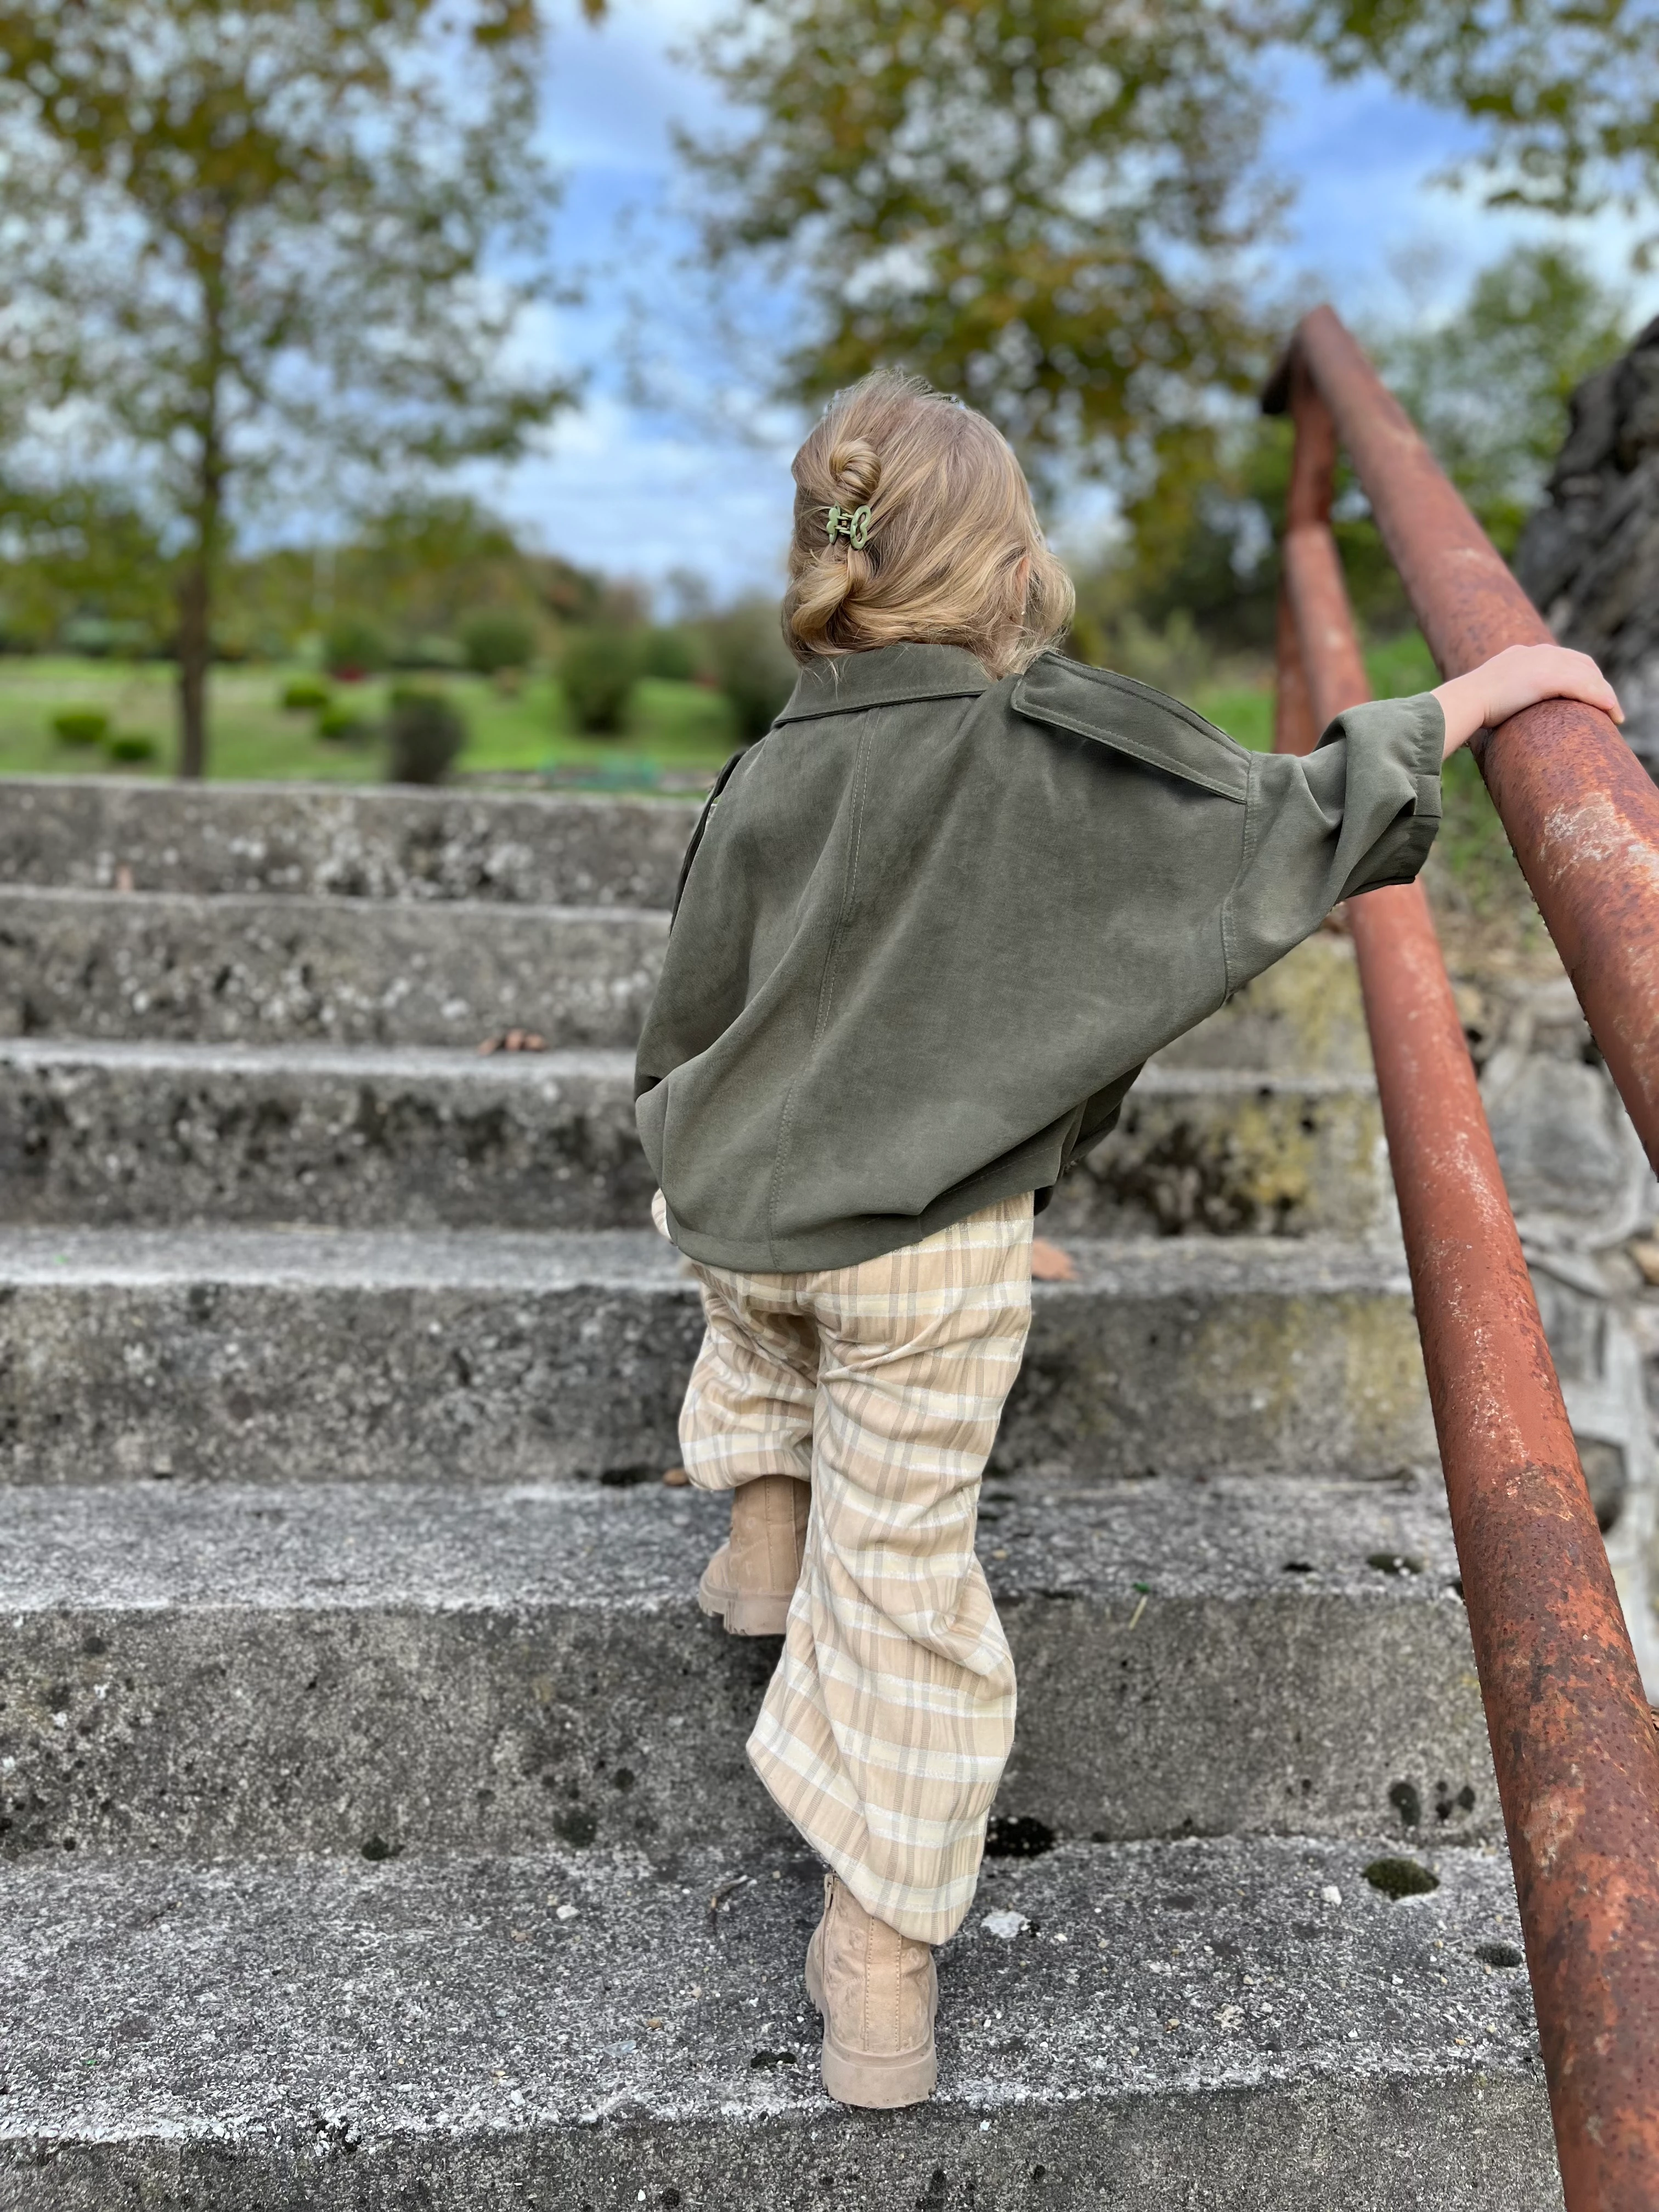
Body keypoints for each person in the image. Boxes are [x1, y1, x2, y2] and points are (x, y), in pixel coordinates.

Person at [631, 370, 1622, 2111]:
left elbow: (691, 1021)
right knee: (910, 1568)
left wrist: (696, 1149)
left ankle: (757, 1536)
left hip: (739, 1216)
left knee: (755, 1259)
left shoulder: (771, 764)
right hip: (917, 1266)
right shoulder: (1047, 742)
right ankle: (876, 1957)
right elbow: (1277, 817)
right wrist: (1488, 689)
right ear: (1013, 568)